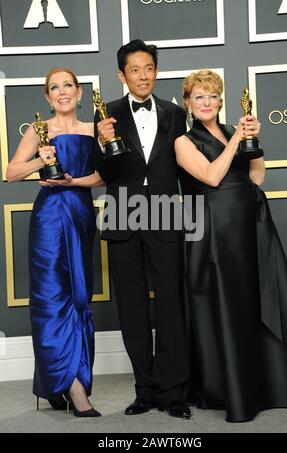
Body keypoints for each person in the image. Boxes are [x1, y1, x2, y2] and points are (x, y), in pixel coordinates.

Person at [175, 69, 287, 422]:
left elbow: (256, 176)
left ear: (220, 100)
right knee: (226, 306)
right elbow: (212, 177)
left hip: (250, 224)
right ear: (188, 103)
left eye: (212, 96)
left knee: (257, 300)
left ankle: (269, 385)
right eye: (199, 96)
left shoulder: (233, 131)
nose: (207, 102)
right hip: (214, 231)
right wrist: (235, 142)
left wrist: (253, 141)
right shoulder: (184, 141)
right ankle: (230, 389)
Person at [95, 39, 191, 419]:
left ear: (156, 71)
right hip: (122, 215)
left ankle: (173, 392)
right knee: (132, 306)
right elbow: (102, 172)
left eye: (148, 68)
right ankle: (144, 389)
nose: (143, 76)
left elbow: (188, 162)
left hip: (166, 213)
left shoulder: (174, 112)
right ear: (122, 75)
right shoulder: (108, 114)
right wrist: (102, 142)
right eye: (134, 69)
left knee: (170, 302)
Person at [7, 67, 103, 417]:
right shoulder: (39, 129)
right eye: (54, 88)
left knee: (79, 295)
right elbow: (11, 171)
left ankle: (67, 378)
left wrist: (72, 182)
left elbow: (104, 175)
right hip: (48, 218)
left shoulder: (94, 130)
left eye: (67, 86)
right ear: (48, 97)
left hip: (79, 213)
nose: (62, 92)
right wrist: (39, 161)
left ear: (79, 93)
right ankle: (71, 389)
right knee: (51, 298)